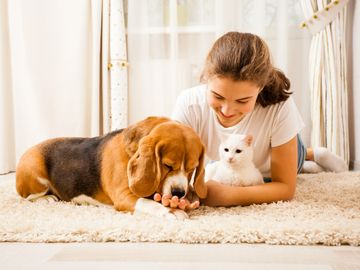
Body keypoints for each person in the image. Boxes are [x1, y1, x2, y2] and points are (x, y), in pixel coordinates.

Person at [154, 31, 348, 210]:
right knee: (223, 158)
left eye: (242, 100)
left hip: (276, 158)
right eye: (218, 97)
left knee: (295, 161)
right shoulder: (189, 104)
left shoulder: (280, 106)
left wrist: (228, 195)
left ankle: (312, 154)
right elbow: (173, 166)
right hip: (231, 158)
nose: (227, 111)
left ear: (261, 88)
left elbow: (285, 188)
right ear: (206, 79)